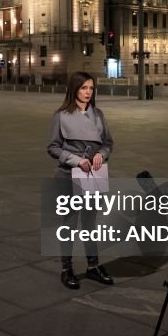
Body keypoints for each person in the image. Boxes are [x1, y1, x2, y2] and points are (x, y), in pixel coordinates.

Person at [47, 71, 114, 289]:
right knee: (69, 223)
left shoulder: (99, 115)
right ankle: (67, 269)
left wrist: (100, 155)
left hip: (93, 175)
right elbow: (53, 147)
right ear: (74, 89)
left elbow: (108, 144)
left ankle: (93, 266)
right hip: (69, 175)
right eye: (84, 88)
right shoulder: (61, 115)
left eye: (91, 88)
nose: (88, 92)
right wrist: (76, 160)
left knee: (90, 223)